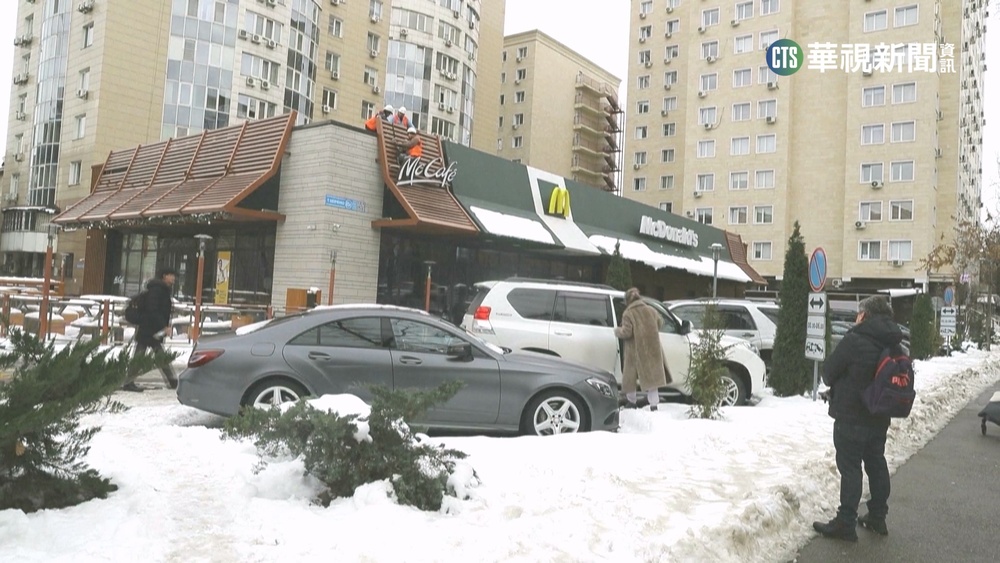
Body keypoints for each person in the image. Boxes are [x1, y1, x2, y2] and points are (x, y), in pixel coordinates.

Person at [813, 295, 902, 541]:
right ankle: (877, 516)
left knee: (851, 468)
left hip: (851, 416)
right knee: (876, 462)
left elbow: (829, 373)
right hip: (879, 415)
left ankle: (845, 523)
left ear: (865, 315)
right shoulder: (894, 342)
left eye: (859, 312)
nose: (856, 317)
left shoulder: (855, 340)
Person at [123, 267, 179, 392]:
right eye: (171, 275)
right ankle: (172, 381)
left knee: (155, 355)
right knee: (151, 355)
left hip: (151, 327)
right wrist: (163, 326)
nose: (174, 278)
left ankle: (172, 381)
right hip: (149, 327)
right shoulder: (157, 290)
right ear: (164, 276)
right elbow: (153, 310)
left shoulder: (162, 290)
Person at [613, 287, 669, 411]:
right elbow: (660, 324)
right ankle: (654, 404)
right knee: (652, 378)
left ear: (628, 300)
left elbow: (627, 332)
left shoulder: (628, 313)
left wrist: (617, 331)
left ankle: (631, 401)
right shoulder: (651, 310)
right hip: (652, 348)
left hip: (635, 350)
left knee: (630, 377)